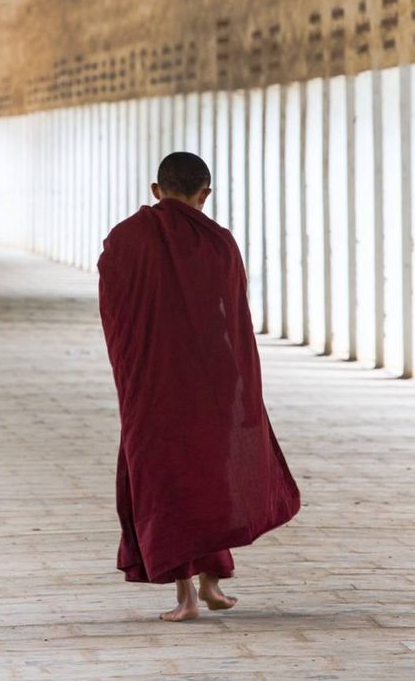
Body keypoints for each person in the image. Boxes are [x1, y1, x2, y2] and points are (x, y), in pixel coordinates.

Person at [97, 152, 301, 622]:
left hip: (153, 382)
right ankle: (209, 583)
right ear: (204, 194)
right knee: (212, 474)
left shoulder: (125, 239)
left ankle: (189, 592)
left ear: (156, 190)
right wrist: (240, 384)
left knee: (165, 478)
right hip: (213, 381)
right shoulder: (220, 242)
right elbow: (235, 314)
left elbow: (116, 312)